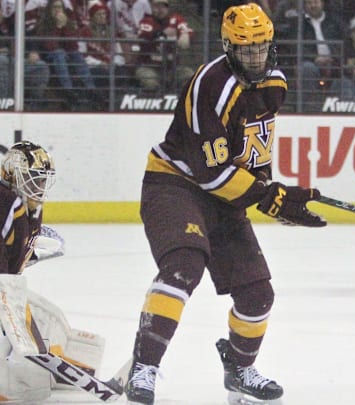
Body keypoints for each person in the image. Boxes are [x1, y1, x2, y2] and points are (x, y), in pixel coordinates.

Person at [123, 4, 326, 405]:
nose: (255, 57)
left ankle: (238, 369)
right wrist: (270, 198)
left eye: (262, 48)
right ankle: (144, 367)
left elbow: (255, 150)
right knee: (184, 264)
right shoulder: (210, 86)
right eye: (246, 49)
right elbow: (210, 173)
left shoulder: (276, 83)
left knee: (257, 294)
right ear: (228, 47)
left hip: (223, 192)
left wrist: (272, 195)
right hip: (176, 183)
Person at [0, 141, 106, 403]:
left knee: (48, 316)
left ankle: (62, 365)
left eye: (42, 180)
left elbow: (2, 257)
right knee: (23, 375)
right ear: (12, 174)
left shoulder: (24, 206)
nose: (38, 187)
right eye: (32, 179)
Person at [135, 0, 194, 94]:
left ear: (168, 8)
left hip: (173, 67)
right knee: (150, 81)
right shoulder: (146, 21)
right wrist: (163, 34)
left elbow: (186, 32)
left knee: (191, 76)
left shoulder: (176, 19)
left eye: (163, 6)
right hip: (149, 66)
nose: (160, 9)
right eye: (157, 6)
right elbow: (144, 35)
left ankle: (183, 105)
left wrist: (185, 34)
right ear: (152, 7)